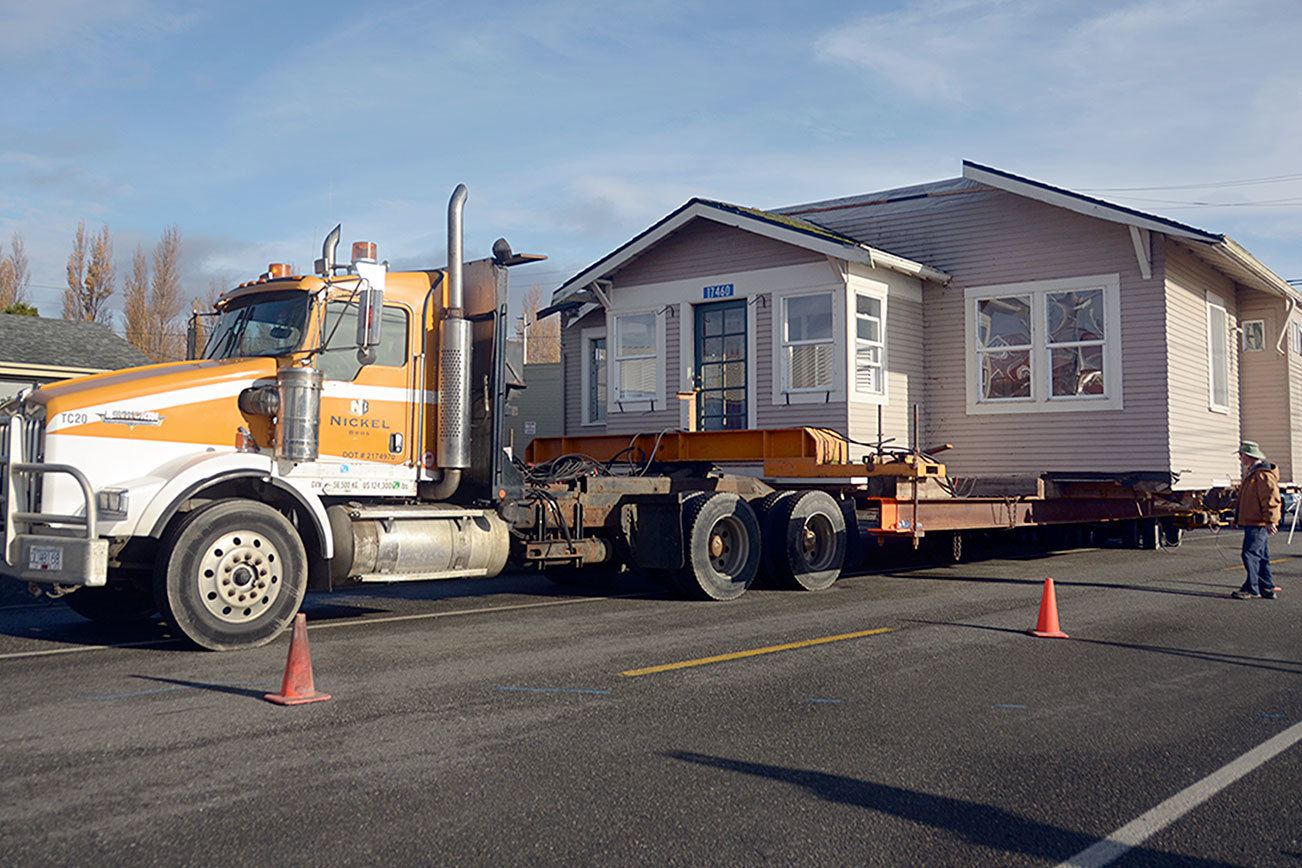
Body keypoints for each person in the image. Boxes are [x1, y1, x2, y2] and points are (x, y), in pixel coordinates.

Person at [1232, 441, 1281, 600]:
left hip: (1257, 522)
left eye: (1241, 455)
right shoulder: (1253, 472)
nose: (1240, 458)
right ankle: (1266, 587)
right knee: (1261, 556)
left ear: (1247, 455)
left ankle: (1252, 589)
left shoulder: (1262, 474)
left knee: (1250, 554)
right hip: (1254, 521)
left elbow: (1271, 498)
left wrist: (1271, 520)